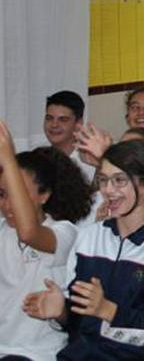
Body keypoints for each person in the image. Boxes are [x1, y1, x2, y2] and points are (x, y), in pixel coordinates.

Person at [24, 139, 144, 360]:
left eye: (120, 181)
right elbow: (77, 319)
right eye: (103, 180)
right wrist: (60, 311)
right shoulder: (89, 237)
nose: (108, 190)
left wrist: (108, 310)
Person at [0, 122, 92, 361]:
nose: (8, 205)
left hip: (35, 354)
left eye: (16, 193)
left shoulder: (63, 232)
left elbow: (29, 232)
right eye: (2, 194)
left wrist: (8, 160)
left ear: (44, 195)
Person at [44, 90, 92, 182]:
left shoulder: (90, 161)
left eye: (63, 119)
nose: (54, 125)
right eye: (49, 118)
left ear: (78, 123)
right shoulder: (39, 159)